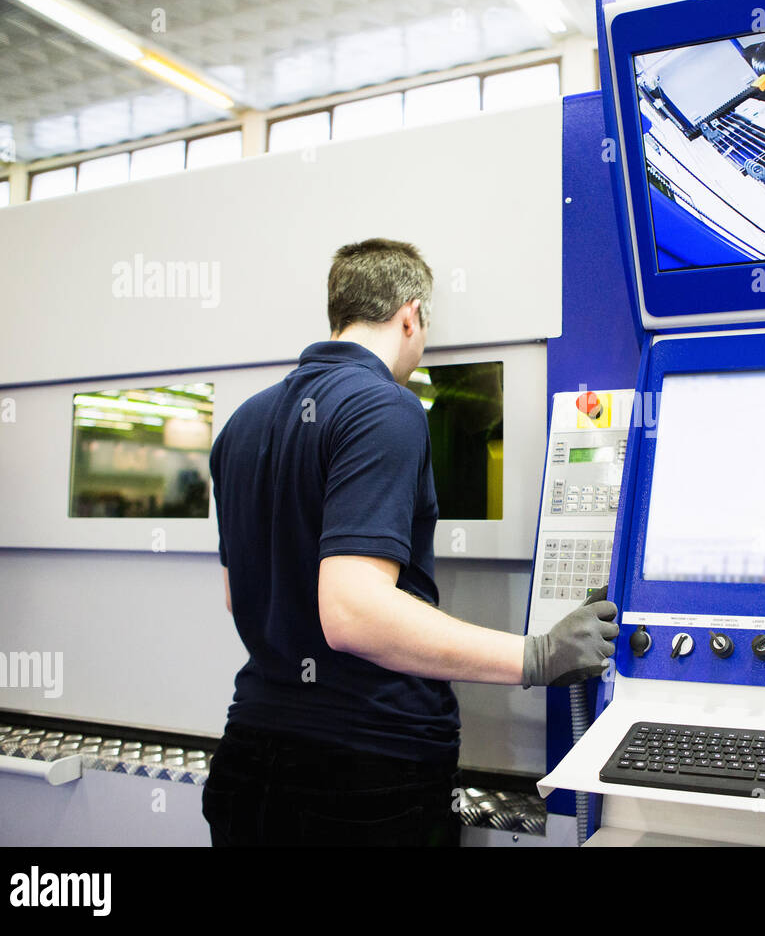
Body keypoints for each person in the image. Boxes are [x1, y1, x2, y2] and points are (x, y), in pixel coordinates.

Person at [202, 238, 618, 846]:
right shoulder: (384, 407)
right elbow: (352, 614)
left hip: (248, 764)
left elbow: (241, 598)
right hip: (361, 780)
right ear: (410, 315)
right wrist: (537, 657)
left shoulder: (243, 422)